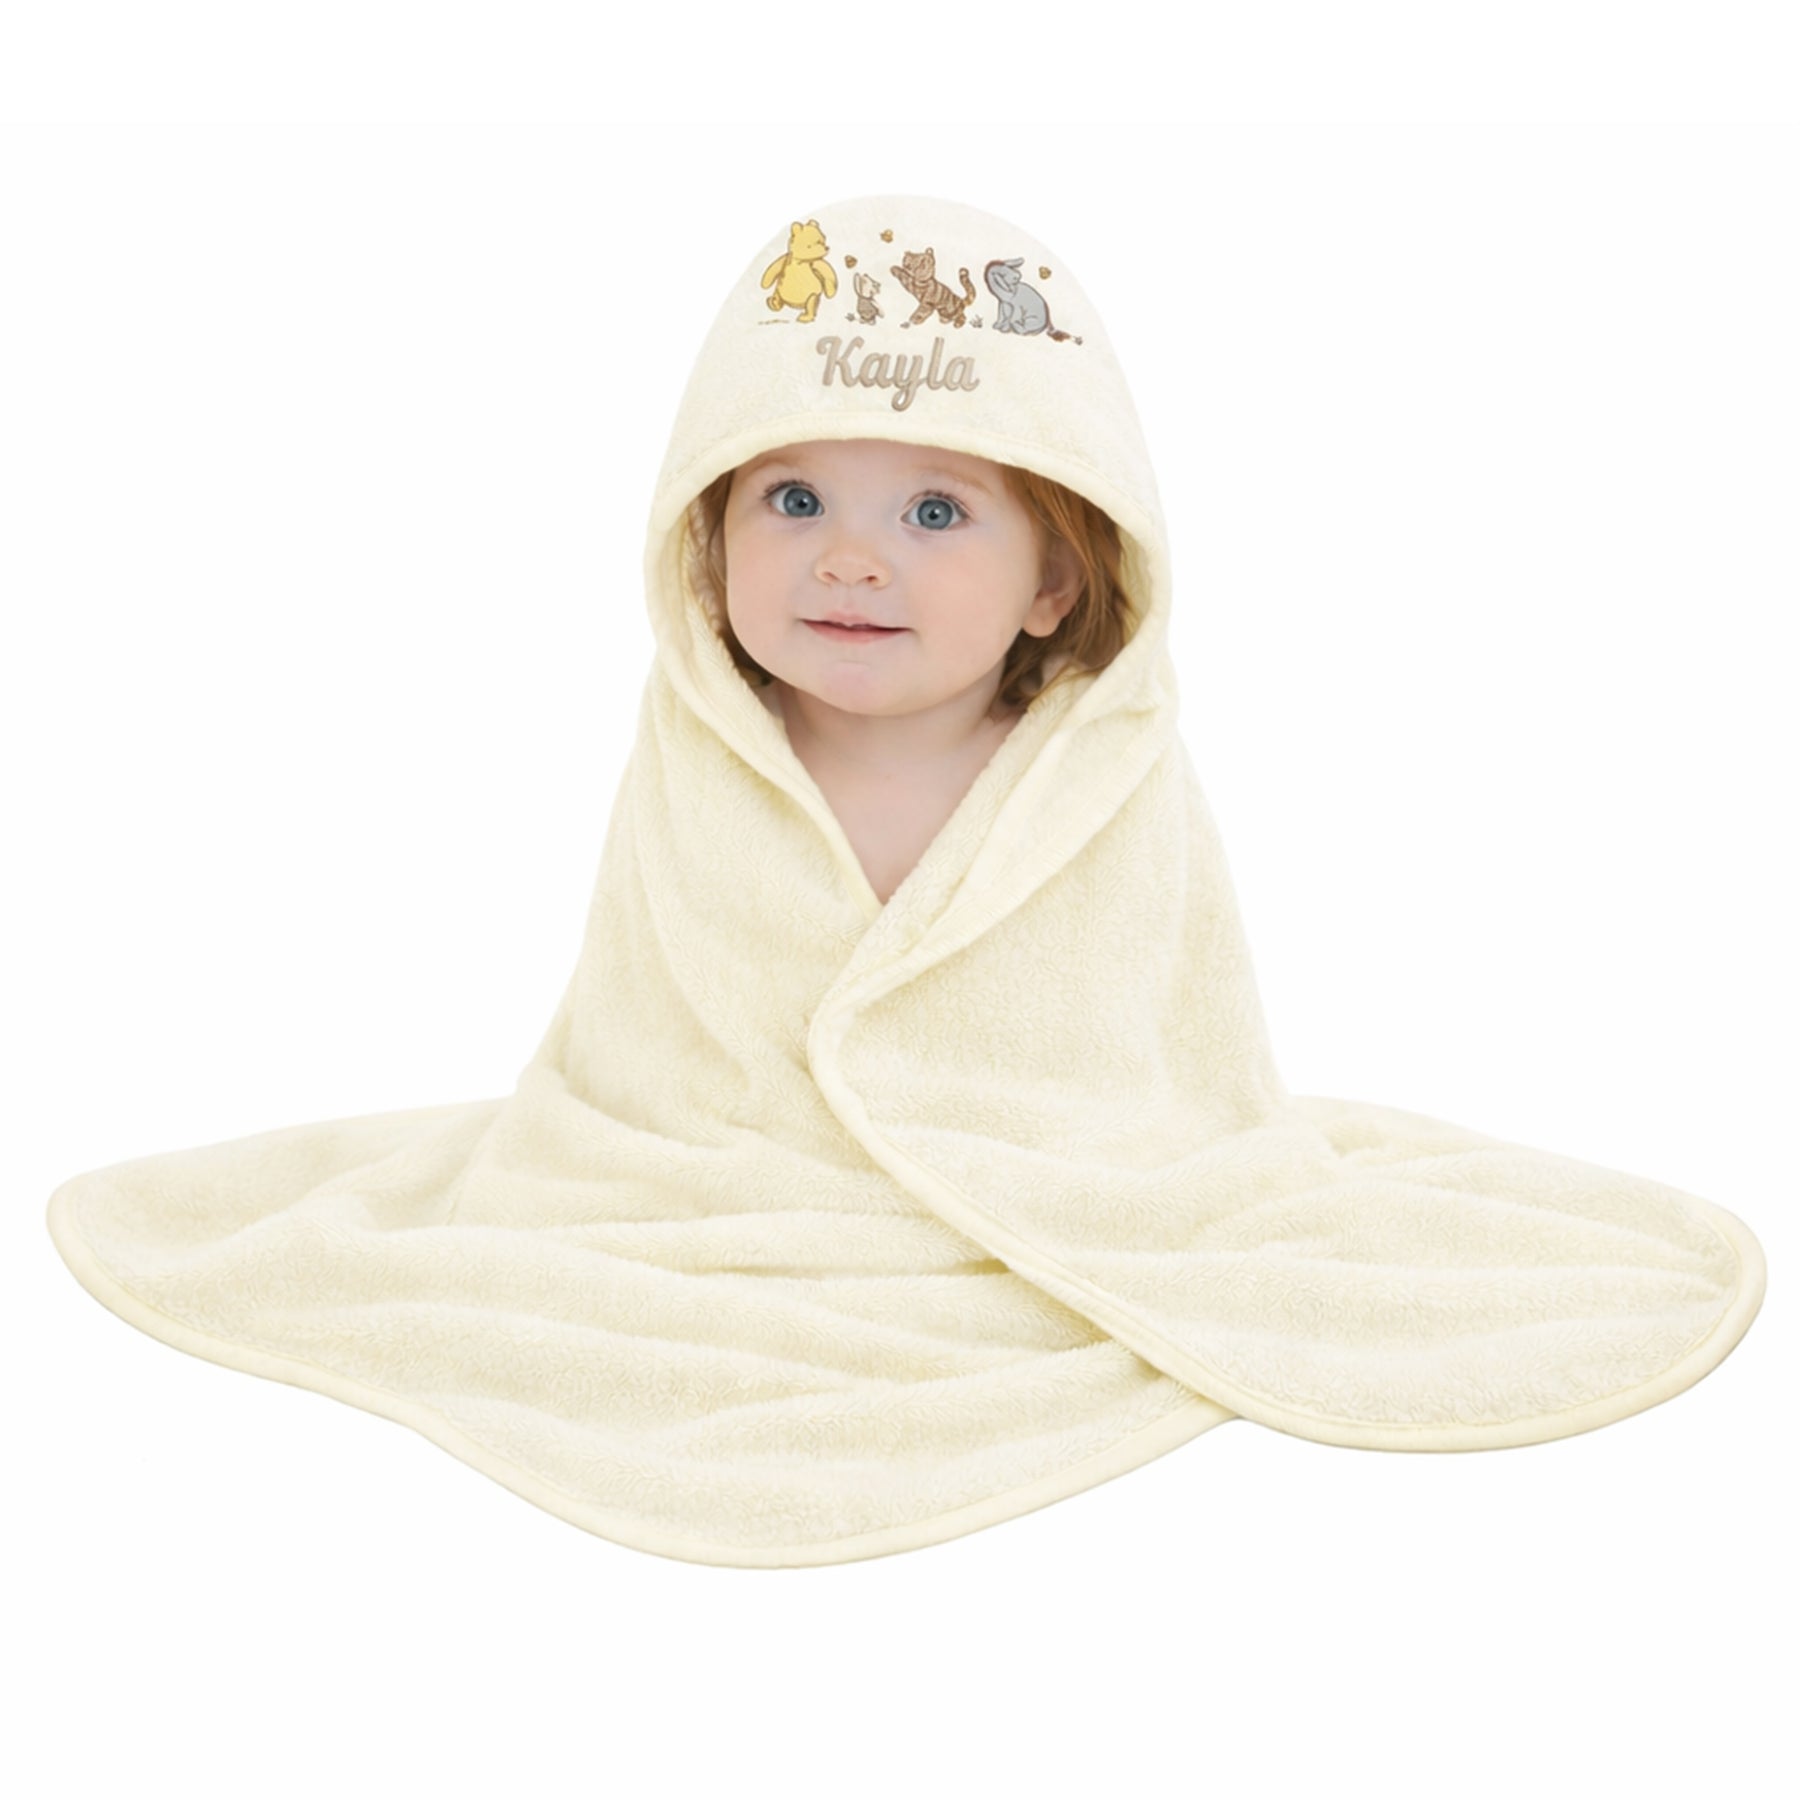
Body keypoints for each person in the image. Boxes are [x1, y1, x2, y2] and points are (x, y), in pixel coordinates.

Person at [46, 193, 1764, 1570]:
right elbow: (662, 1028)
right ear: (707, 542)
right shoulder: (703, 755)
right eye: (792, 497)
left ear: (1053, 581)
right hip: (712, 1191)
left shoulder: (1094, 780)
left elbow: (1145, 1036)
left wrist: (1123, 1162)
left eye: (938, 514)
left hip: (1055, 1185)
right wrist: (684, 1159)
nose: (851, 558)